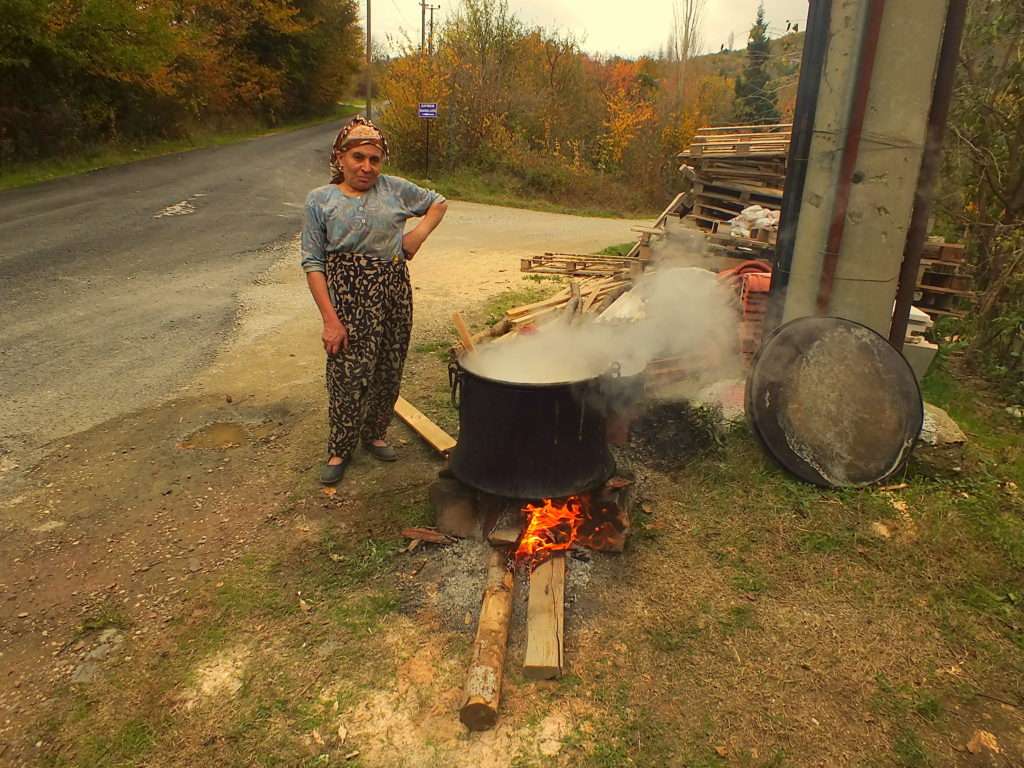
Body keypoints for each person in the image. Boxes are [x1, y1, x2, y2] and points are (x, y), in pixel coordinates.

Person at [301, 117, 448, 484]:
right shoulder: (321, 201)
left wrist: (417, 236)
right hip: (349, 299)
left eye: (374, 159)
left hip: (394, 292)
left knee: (388, 365)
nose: (366, 166)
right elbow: (313, 263)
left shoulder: (395, 191)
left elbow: (438, 203)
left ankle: (375, 433)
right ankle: (340, 448)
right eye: (358, 157)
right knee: (347, 374)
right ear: (340, 157)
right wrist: (330, 320)